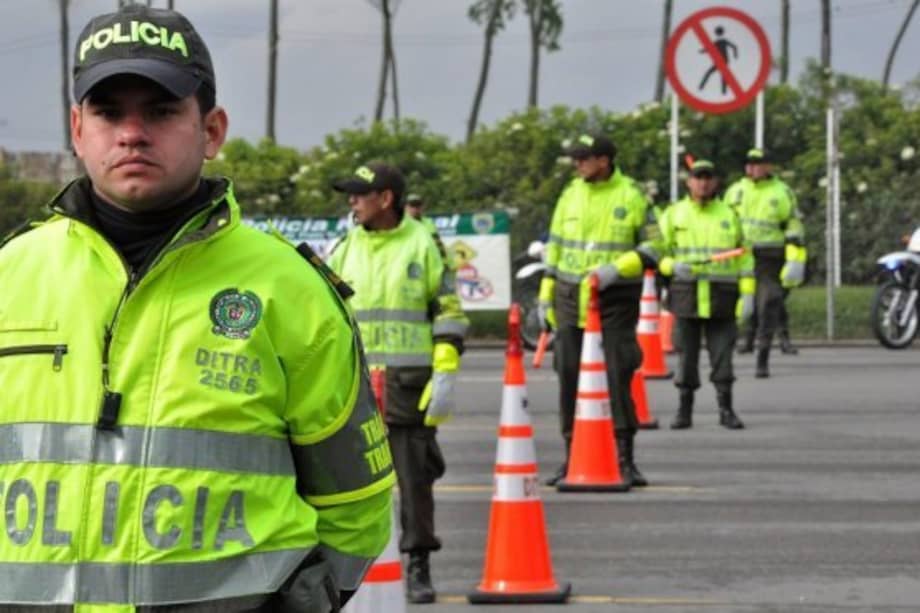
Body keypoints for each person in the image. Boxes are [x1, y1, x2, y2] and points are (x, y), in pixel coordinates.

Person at [0, 6, 393, 611]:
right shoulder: (11, 274)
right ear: (78, 130)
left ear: (212, 131)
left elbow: (356, 506)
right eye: (108, 113)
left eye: (160, 111)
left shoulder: (289, 288)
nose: (132, 133)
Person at [328, 163, 469, 605]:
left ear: (385, 198)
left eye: (359, 194)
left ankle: (419, 564)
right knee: (343, 483)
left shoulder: (423, 244)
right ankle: (342, 569)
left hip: (408, 385)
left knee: (414, 479)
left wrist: (445, 361)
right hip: (353, 388)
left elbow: (446, 306)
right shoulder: (345, 247)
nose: (352, 201)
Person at [538, 133, 661, 489]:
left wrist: (617, 268)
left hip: (613, 297)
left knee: (616, 372)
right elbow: (555, 247)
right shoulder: (570, 193)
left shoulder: (632, 195)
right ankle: (573, 454)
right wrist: (546, 295)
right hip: (569, 296)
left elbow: (654, 246)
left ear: (604, 161)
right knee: (569, 373)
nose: (577, 165)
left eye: (583, 158)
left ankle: (624, 458)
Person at [658, 160, 754, 430]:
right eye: (697, 177)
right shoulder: (673, 214)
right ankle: (683, 410)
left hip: (722, 298)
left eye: (707, 178)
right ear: (688, 182)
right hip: (685, 297)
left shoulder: (729, 215)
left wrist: (747, 294)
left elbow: (744, 257)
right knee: (686, 357)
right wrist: (671, 266)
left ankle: (726, 410)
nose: (702, 183)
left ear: (716, 182)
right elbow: (657, 252)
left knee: (723, 356)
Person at [725, 148, 807, 377]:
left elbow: (793, 222)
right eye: (749, 163)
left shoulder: (782, 192)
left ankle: (763, 356)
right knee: (742, 305)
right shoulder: (735, 191)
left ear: (768, 166)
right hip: (740, 256)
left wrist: (794, 251)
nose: (753, 167)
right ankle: (743, 339)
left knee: (768, 303)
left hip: (769, 255)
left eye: (758, 163)